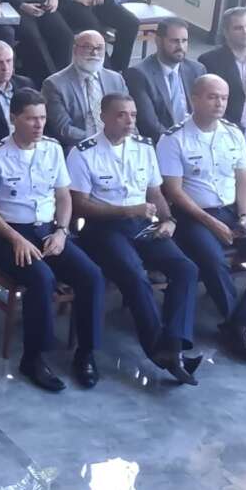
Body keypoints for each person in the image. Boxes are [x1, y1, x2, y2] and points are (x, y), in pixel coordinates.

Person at [66, 93, 202, 385]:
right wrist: (127, 209)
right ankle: (158, 350)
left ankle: (174, 346)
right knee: (134, 274)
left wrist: (168, 219)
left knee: (186, 268)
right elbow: (80, 205)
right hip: (103, 229)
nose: (129, 121)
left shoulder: (143, 147)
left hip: (141, 224)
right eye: (121, 115)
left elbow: (155, 192)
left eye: (133, 115)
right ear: (103, 117)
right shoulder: (83, 152)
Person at [0, 92, 102, 391]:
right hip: (7, 234)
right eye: (30, 118)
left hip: (49, 232)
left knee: (91, 275)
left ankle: (86, 352)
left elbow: (63, 196)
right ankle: (33, 357)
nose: (38, 124)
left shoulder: (53, 149)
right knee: (41, 278)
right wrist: (16, 238)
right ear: (13, 118)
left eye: (42, 118)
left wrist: (62, 231)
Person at [156, 73, 246, 363]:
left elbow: (244, 179)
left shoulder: (232, 133)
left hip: (232, 210)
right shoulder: (173, 138)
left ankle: (240, 322)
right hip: (193, 215)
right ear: (194, 99)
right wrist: (211, 222)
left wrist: (244, 215)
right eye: (212, 96)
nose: (219, 103)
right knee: (213, 260)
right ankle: (236, 326)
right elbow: (175, 193)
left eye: (224, 98)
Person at [40, 30, 128, 147]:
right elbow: (64, 129)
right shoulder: (54, 84)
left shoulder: (116, 79)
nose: (94, 53)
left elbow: (128, 116)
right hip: (80, 148)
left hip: (117, 144)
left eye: (99, 48)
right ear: (75, 50)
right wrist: (100, 140)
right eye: (87, 47)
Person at [128, 17, 204, 142]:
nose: (180, 46)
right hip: (162, 143)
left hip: (196, 140)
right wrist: (177, 144)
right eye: (174, 41)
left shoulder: (197, 70)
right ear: (158, 41)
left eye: (184, 41)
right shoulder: (139, 74)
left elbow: (204, 111)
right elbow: (149, 125)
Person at [198, 7, 246, 124]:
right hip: (229, 124)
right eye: (238, 28)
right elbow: (209, 103)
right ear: (226, 32)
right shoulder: (209, 61)